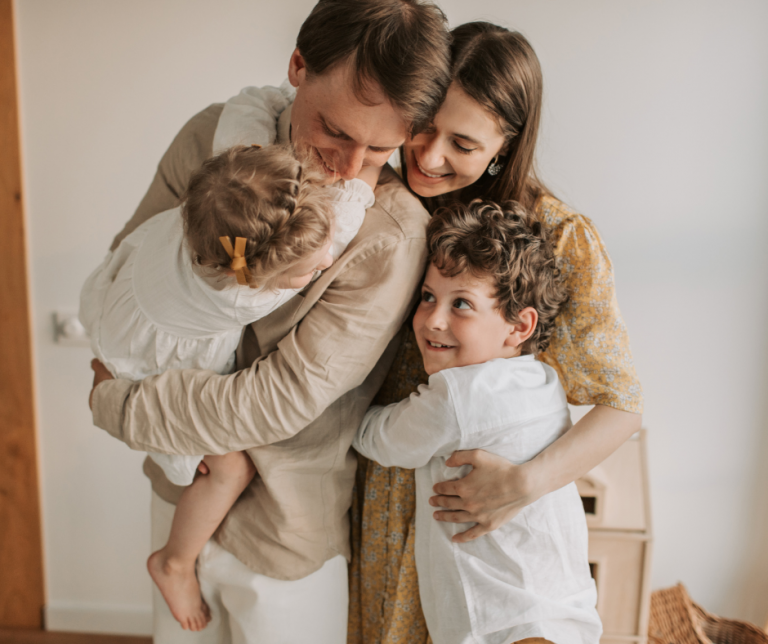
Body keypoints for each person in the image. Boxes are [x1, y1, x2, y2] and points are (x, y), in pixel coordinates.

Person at [87, 1, 451, 642]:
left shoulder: (391, 234)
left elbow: (280, 399)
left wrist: (119, 405)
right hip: (178, 493)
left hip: (285, 533)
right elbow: (132, 261)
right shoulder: (209, 137)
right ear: (298, 66)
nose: (349, 167)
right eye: (334, 131)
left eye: (381, 148)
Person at [347, 21, 643, 643]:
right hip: (380, 500)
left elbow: (621, 407)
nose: (429, 156)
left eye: (462, 142)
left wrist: (522, 485)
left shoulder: (559, 238)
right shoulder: (375, 201)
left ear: (505, 146)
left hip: (482, 520)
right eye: (423, 126)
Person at [80, 144, 379, 631]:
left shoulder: (210, 209)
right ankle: (174, 561)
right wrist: (372, 165)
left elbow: (245, 118)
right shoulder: (239, 295)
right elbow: (343, 226)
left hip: (118, 312)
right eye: (309, 271)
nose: (327, 260)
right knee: (229, 467)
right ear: (253, 277)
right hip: (142, 362)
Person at [354, 200, 602, 644]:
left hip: (502, 623)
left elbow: (379, 439)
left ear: (518, 326)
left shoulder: (459, 396)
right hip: (562, 610)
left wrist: (344, 401)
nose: (433, 320)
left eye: (462, 304)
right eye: (428, 297)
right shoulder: (543, 381)